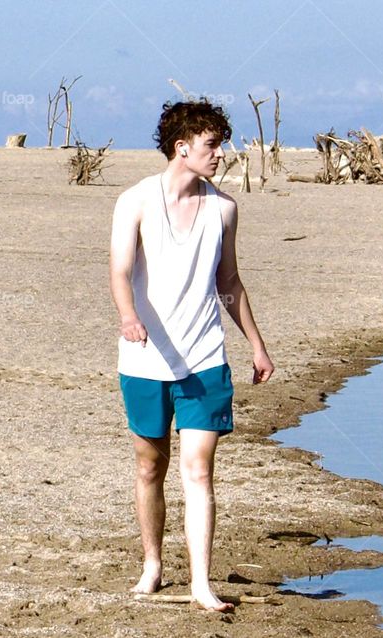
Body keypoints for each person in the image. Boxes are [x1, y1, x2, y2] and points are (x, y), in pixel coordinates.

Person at [109, 100, 274, 612]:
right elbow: (119, 270)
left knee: (199, 470)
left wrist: (257, 344)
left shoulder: (224, 208)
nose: (220, 154)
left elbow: (229, 282)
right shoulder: (134, 200)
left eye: (220, 144)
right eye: (212, 145)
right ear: (182, 148)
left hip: (204, 357)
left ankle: (201, 584)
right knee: (149, 467)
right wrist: (128, 315)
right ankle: (153, 564)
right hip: (144, 359)